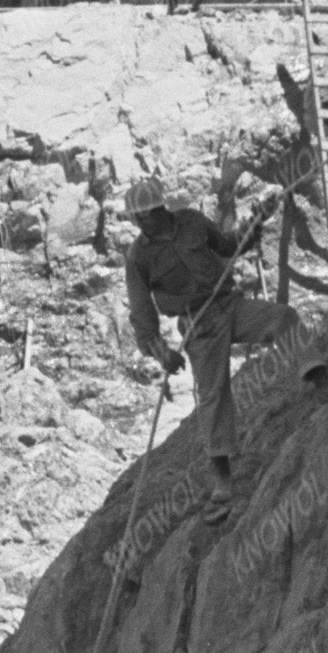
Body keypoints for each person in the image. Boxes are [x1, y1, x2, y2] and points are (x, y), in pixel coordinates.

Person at [126, 190, 255, 477]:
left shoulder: (193, 222)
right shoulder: (138, 257)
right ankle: (222, 475)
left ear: (160, 210)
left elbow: (227, 246)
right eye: (139, 218)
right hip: (198, 325)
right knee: (212, 395)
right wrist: (162, 354)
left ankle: (319, 382)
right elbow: (143, 316)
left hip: (228, 304)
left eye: (147, 215)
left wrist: (252, 226)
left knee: (283, 319)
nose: (143, 223)